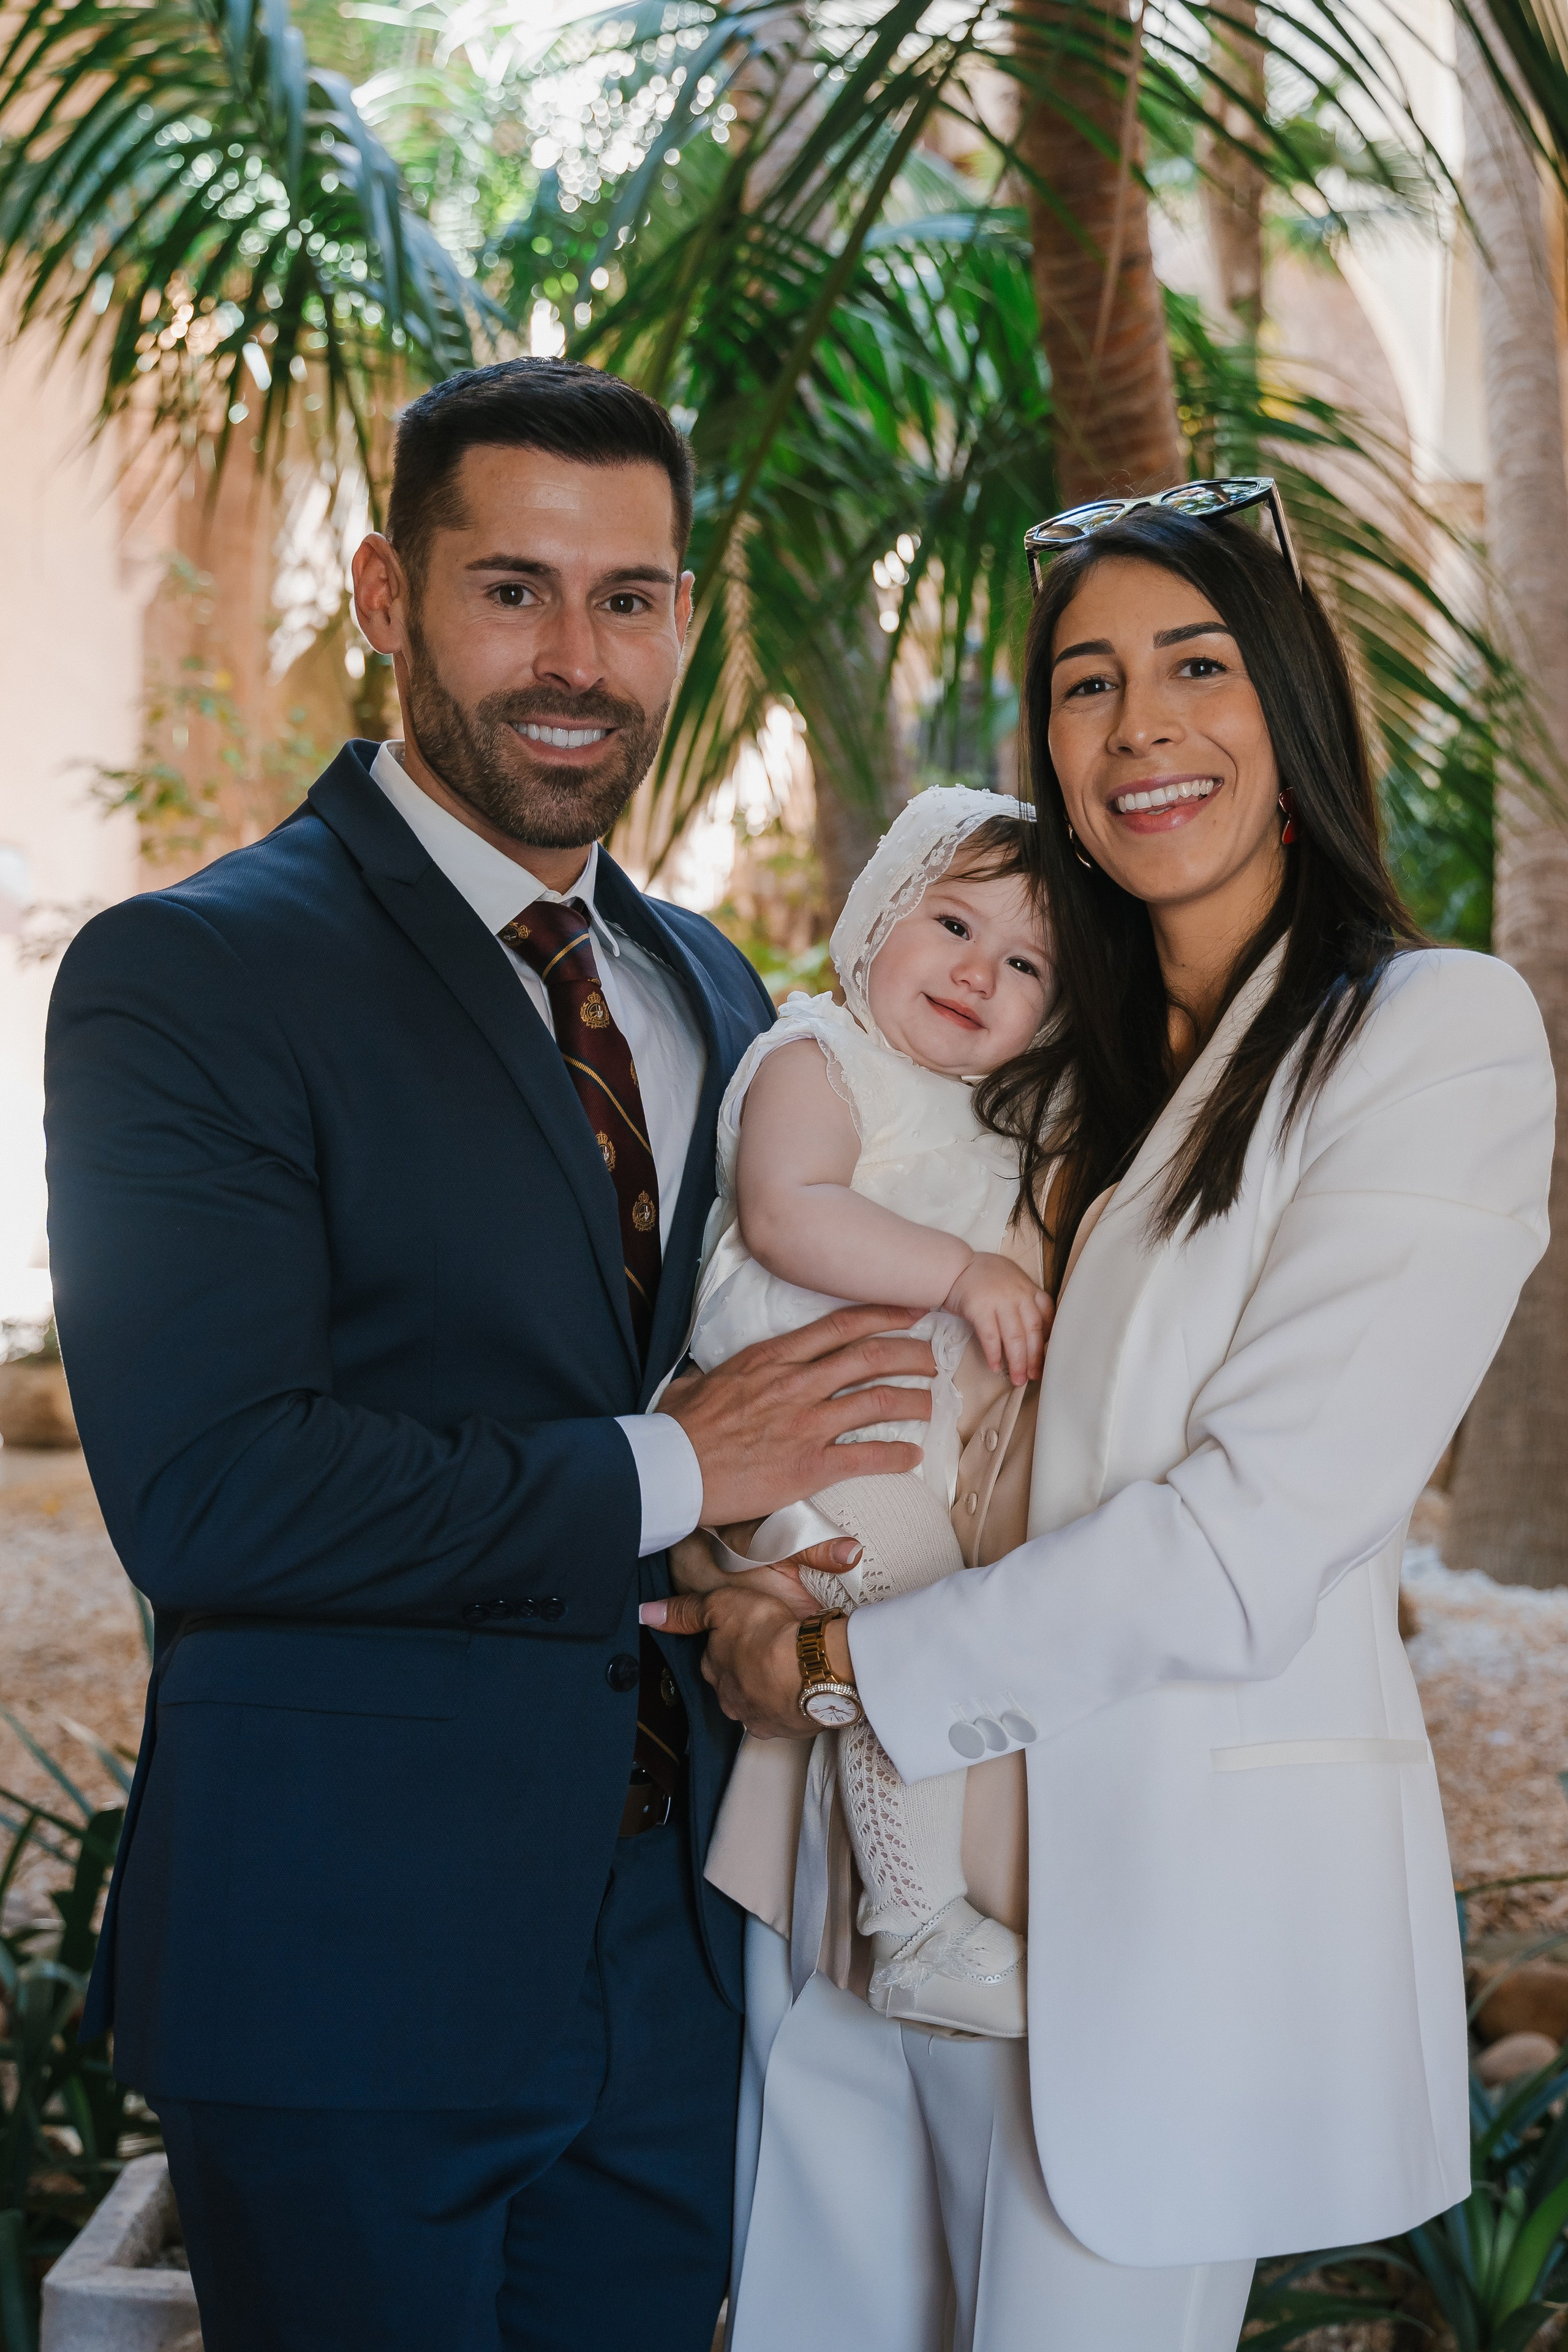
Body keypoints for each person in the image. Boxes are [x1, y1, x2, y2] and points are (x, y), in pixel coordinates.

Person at [42, 356, 935, 2352]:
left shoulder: (711, 986)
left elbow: (740, 1372)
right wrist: (675, 1466)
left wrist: (756, 1568)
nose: (577, 660)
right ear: (386, 595)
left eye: (630, 599)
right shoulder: (189, 979)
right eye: (513, 588)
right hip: (344, 1962)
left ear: (685, 619)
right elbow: (211, 1491)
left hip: (671, 1959)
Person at [651, 479, 1556, 2352]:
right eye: (1087, 682)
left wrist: (830, 1659)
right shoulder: (1045, 1063)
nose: (1141, 723)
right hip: (851, 1884)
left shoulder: (1425, 1037)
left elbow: (1246, 1539)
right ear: (1051, 764)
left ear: (1293, 715)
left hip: (1123, 1928)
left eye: (1197, 666)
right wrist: (743, 1538)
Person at [689, 788, 1052, 2037]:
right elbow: (788, 1208)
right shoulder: (818, 1056)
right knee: (919, 1619)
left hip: (875, 1443)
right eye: (953, 923)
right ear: (875, 914)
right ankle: (913, 1920)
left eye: (1026, 965)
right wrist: (965, 1275)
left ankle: (894, 1860)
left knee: (911, 1625)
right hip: (798, 1433)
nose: (978, 972)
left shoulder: (987, 1115)